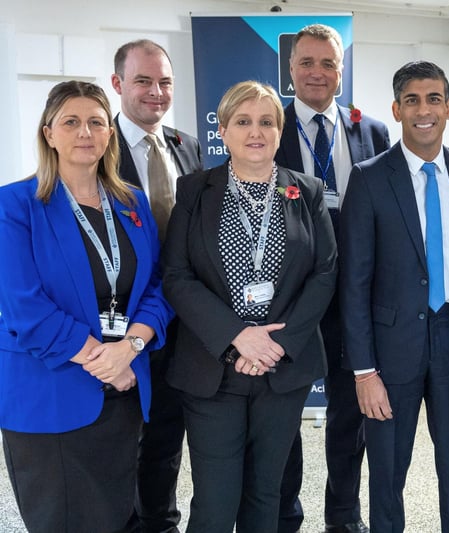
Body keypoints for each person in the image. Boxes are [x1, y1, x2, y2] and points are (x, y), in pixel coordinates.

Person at [161, 80, 337, 532]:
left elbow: (324, 272)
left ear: (280, 130)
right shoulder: (195, 190)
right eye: (242, 121)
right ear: (223, 130)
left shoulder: (308, 190)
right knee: (216, 500)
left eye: (265, 122)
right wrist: (239, 337)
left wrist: (273, 346)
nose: (254, 132)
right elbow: (177, 277)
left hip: (282, 368)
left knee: (266, 495)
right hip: (213, 368)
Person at [0, 80, 172, 532]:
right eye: (71, 122)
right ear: (48, 133)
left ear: (109, 134)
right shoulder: (15, 205)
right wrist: (106, 361)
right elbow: (24, 309)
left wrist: (129, 348)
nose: (85, 132)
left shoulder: (132, 202)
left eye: (96, 122)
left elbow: (156, 286)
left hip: (123, 393)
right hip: (51, 395)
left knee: (116, 515)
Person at [339, 61, 449, 532]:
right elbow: (354, 281)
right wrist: (364, 370)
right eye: (412, 100)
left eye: (433, 100)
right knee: (388, 471)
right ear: (396, 108)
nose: (423, 110)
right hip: (390, 348)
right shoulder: (369, 178)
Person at [274, 23, 390, 533]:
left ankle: (344, 515)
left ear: (341, 72)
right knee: (284, 416)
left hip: (355, 299)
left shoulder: (373, 132)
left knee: (350, 414)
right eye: (307, 62)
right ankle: (284, 513)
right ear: (291, 69)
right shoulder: (266, 127)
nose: (317, 72)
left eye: (328, 63)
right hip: (288, 301)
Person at [111, 38, 204, 533]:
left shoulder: (186, 145)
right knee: (124, 442)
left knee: (167, 435)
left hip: (179, 320)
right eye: (143, 81)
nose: (156, 92)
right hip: (120, 323)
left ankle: (161, 523)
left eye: (165, 82)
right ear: (118, 84)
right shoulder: (94, 146)